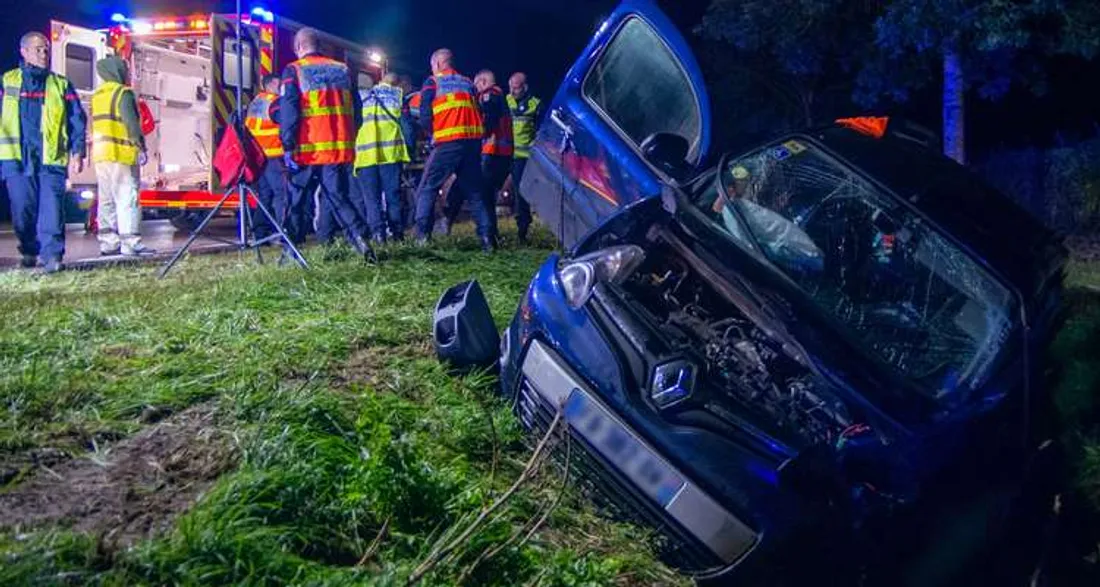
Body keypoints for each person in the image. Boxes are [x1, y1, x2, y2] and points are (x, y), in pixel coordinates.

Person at [278, 27, 376, 263]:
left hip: (307, 150)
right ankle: (362, 243)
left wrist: (287, 145)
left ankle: (291, 251)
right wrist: (349, 137)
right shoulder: (342, 70)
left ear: (299, 47)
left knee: (297, 201)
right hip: (337, 150)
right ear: (319, 45)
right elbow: (357, 111)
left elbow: (289, 111)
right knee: (339, 198)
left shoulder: (295, 70)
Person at [0, 32, 87, 273]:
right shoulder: (7, 82)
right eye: (38, 49)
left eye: (46, 49)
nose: (44, 54)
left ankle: (52, 257)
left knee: (52, 211)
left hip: (51, 160)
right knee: (22, 213)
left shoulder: (60, 84)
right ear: (24, 51)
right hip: (16, 160)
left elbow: (76, 119)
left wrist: (78, 151)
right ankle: (29, 250)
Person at [413, 48, 493, 251]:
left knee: (427, 187)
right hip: (472, 144)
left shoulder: (433, 82)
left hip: (448, 142)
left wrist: (434, 134)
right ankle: (487, 240)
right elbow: (479, 111)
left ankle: (422, 237)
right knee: (475, 193)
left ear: (438, 63)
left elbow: (424, 117)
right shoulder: (468, 82)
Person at [91, 55, 153, 257]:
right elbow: (131, 124)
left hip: (102, 155)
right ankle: (131, 243)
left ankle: (108, 242)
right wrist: (140, 147)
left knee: (106, 199)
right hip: (122, 154)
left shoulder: (98, 94)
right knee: (128, 198)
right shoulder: (123, 94)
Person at [354, 71, 409, 243]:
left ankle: (378, 235)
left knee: (372, 199)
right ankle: (398, 234)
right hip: (391, 155)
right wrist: (410, 151)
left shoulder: (359, 98)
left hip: (365, 156)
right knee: (393, 197)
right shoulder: (396, 96)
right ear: (397, 84)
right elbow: (407, 126)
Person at [244, 74, 288, 243]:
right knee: (281, 194)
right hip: (273, 154)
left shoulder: (256, 101)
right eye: (279, 83)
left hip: (258, 156)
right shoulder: (275, 102)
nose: (282, 86)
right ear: (271, 84)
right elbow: (286, 125)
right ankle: (283, 233)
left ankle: (259, 233)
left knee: (265, 195)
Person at [506, 72, 542, 244]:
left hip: (523, 157)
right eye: (511, 87)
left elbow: (541, 132)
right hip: (503, 154)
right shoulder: (505, 101)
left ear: (525, 87)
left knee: (521, 194)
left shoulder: (535, 105)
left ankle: (522, 231)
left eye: (516, 87)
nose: (513, 91)